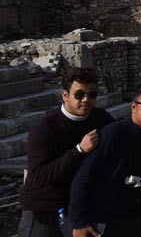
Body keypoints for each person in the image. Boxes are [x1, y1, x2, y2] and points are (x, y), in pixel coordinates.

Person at [18, 67, 114, 237]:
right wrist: (79, 150)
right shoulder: (44, 129)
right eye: (79, 94)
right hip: (44, 210)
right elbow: (39, 177)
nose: (86, 100)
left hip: (80, 207)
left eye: (92, 94)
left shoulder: (101, 118)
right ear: (65, 95)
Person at [68, 81, 141, 237]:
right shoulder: (113, 134)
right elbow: (84, 177)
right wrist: (79, 223)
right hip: (108, 220)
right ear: (134, 107)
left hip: (139, 219)